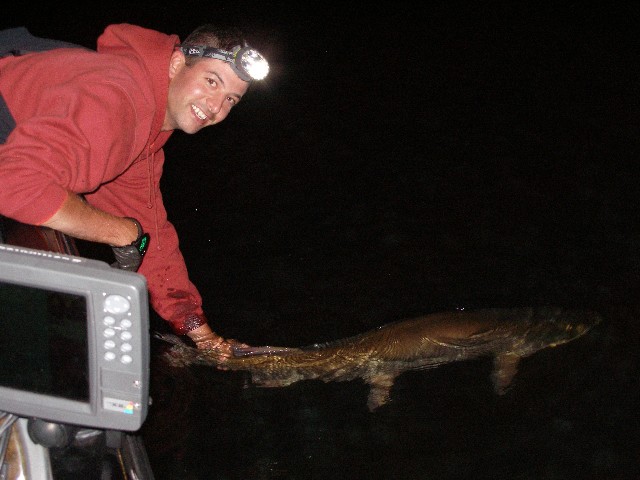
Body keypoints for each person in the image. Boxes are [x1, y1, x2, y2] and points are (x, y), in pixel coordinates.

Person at [0, 23, 269, 355]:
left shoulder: (145, 132)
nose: (216, 106)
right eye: (211, 81)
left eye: (230, 99)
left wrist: (203, 337)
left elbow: (153, 243)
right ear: (176, 64)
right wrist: (117, 232)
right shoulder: (116, 102)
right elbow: (13, 183)